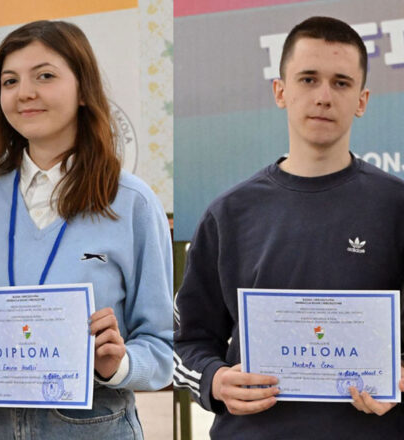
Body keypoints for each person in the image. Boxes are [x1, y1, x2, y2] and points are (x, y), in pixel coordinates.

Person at [0, 20, 174, 439]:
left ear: (83, 90)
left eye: (44, 76)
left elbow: (162, 347)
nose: (25, 92)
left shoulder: (132, 202)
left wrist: (118, 364)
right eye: (10, 81)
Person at [173, 16, 404, 438]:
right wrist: (214, 380)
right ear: (280, 91)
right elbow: (185, 342)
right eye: (308, 79)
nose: (323, 97)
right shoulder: (228, 214)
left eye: (341, 83)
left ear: (362, 100)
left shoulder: (396, 206)